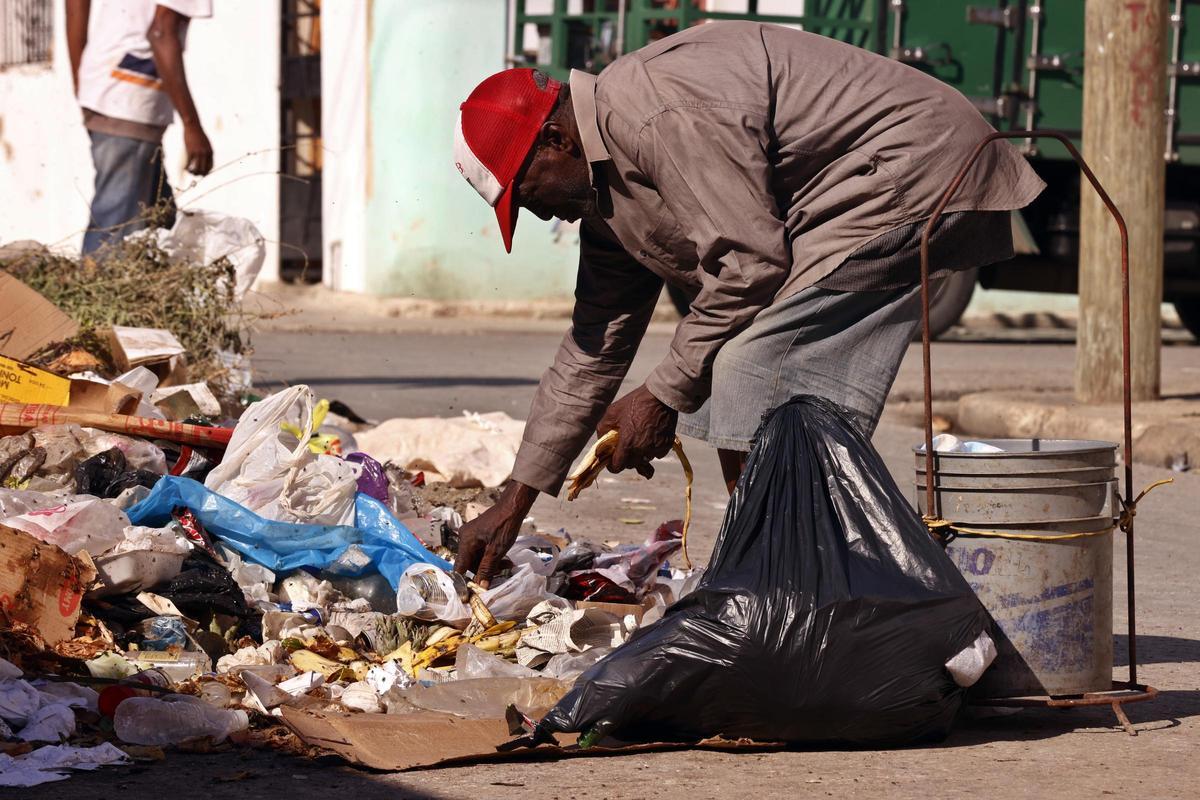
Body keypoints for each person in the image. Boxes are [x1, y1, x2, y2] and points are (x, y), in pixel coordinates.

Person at [451, 21, 1043, 584]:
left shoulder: (655, 110)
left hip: (920, 165)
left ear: (556, 139)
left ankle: (796, 578)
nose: (538, 214)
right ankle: (785, 574)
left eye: (528, 194)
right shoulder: (606, 200)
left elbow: (751, 263)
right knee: (739, 369)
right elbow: (591, 351)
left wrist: (661, 395)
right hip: (860, 190)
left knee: (747, 367)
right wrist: (513, 503)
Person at [66, 0, 214, 256]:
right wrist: (192, 126)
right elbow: (161, 32)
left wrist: (83, 75)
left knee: (161, 224)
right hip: (127, 102)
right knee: (111, 239)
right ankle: (84, 292)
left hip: (109, 91)